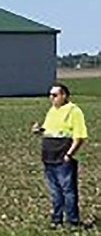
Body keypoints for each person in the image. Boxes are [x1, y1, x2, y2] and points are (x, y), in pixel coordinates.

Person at [31, 83, 88, 228]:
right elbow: (50, 130)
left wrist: (69, 155)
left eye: (55, 95)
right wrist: (39, 130)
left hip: (63, 158)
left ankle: (73, 222)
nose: (51, 98)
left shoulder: (74, 111)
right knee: (55, 192)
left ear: (64, 96)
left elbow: (79, 137)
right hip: (48, 157)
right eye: (50, 95)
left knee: (68, 191)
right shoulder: (52, 111)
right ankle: (56, 220)